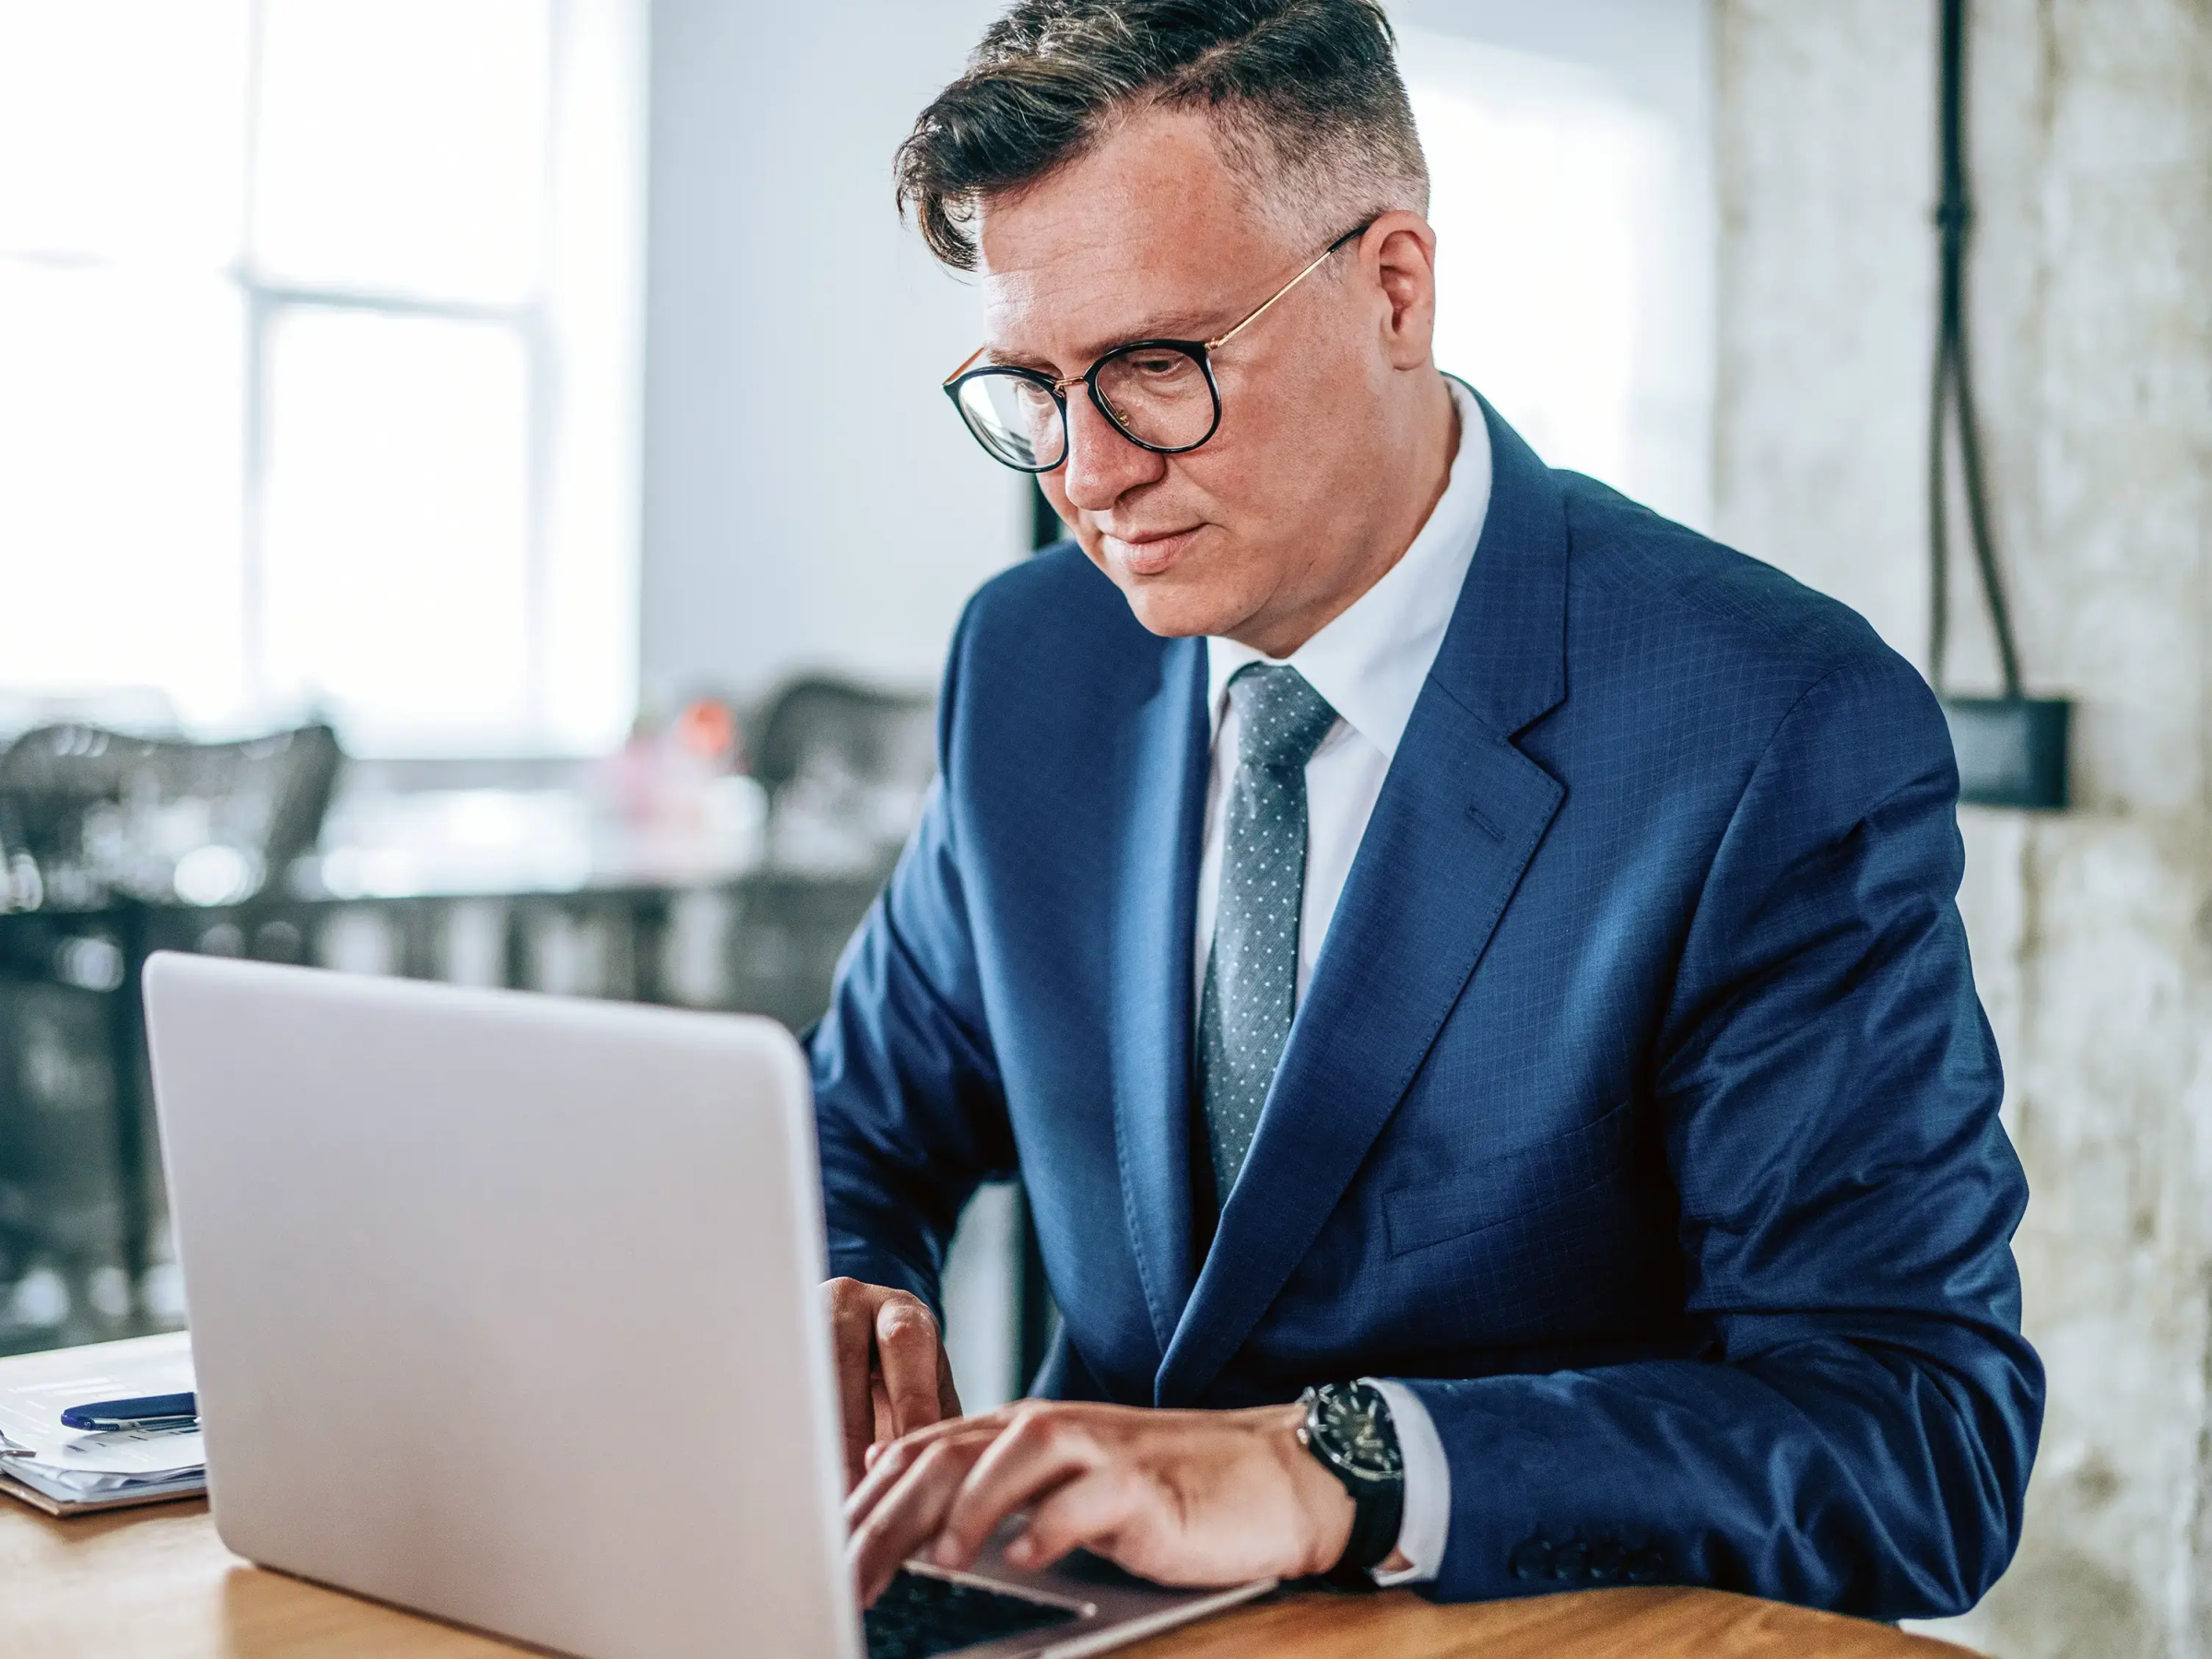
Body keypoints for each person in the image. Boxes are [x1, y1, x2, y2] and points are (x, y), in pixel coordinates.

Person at [813, 0, 2041, 1619]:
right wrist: (837, 1297)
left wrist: (1337, 1465)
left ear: (1395, 286)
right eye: (1032, 387)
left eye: (1153, 370)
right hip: (1068, 1619)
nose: (1090, 476)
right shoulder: (1030, 662)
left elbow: (1915, 1439)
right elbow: (854, 1129)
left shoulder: (1770, 723)